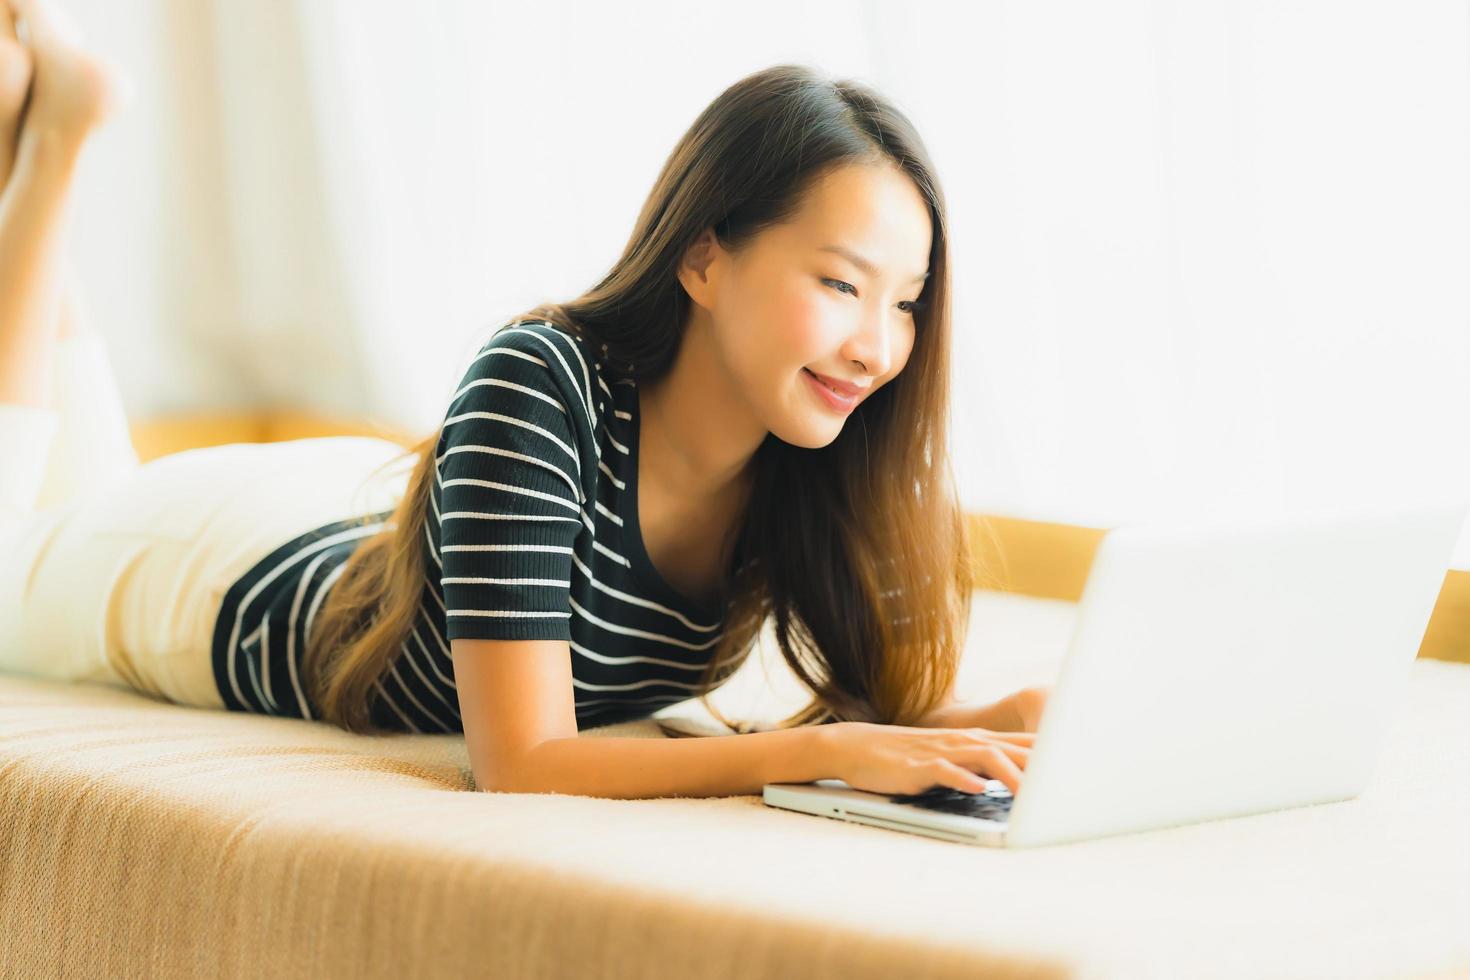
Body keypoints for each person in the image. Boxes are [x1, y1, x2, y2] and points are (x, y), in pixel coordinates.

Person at [0, 0, 1045, 800]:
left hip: (343, 519)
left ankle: (50, 117)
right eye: (839, 283)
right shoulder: (542, 376)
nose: (878, 347)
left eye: (905, 302)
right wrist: (820, 754)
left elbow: (868, 709)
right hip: (216, 582)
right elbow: (523, 758)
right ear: (701, 256)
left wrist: (996, 718)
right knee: (18, 559)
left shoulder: (807, 449)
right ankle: (53, 144)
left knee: (74, 493)